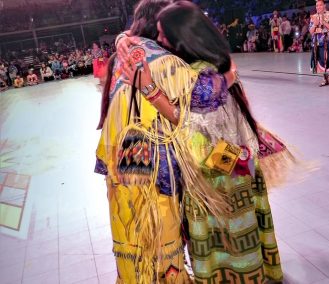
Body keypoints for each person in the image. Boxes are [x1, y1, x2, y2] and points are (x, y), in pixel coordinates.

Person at [117, 1, 289, 283]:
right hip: (233, 167)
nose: (159, 40)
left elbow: (188, 123)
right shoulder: (215, 63)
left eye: (162, 34)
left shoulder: (203, 73)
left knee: (226, 236)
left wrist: (149, 89)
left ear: (183, 37)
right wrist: (124, 38)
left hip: (220, 173)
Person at [96, 0, 230, 282]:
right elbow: (207, 93)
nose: (162, 36)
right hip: (152, 161)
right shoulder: (165, 61)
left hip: (124, 159)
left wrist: (123, 37)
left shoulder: (120, 55)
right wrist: (229, 71)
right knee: (160, 226)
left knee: (133, 229)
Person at [309, 0, 329, 87]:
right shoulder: (313, 17)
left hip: (328, 39)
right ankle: (325, 79)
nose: (318, 7)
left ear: (324, 6)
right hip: (317, 41)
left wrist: (324, 22)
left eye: (320, 5)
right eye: (316, 5)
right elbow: (311, 32)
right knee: (321, 59)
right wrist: (315, 25)